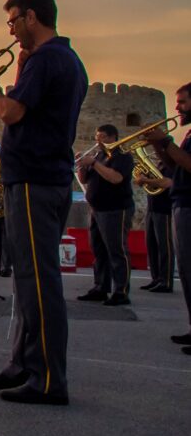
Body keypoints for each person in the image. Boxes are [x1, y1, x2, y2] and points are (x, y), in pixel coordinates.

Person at [0, 0, 87, 405]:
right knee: (27, 280)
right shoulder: (62, 60)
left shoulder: (48, 59)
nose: (11, 30)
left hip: (36, 180)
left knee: (40, 282)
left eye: (14, 21)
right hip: (37, 178)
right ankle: (22, 363)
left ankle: (50, 378)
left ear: (32, 17)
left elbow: (12, 112)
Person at [144, 82, 191, 355]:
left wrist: (165, 140)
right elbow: (175, 165)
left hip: (187, 204)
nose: (177, 108)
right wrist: (160, 147)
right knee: (186, 271)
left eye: (183, 102)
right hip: (180, 204)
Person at [76, 124, 135, 306]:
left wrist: (93, 163)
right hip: (97, 209)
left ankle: (121, 291)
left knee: (117, 250)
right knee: (98, 250)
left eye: (102, 137)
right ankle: (100, 287)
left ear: (113, 137)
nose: (98, 141)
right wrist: (83, 166)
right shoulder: (99, 155)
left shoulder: (122, 156)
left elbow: (115, 178)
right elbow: (85, 180)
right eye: (96, 137)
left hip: (116, 209)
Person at [135, 152, 173, 293]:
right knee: (151, 244)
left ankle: (166, 280)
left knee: (165, 245)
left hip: (164, 209)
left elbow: (167, 183)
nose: (156, 153)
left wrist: (146, 181)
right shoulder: (158, 165)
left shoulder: (170, 166)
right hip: (152, 208)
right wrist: (142, 180)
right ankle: (156, 278)